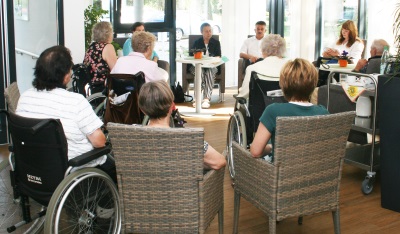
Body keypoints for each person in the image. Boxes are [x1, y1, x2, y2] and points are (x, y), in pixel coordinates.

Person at [16, 45, 116, 180]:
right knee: (116, 168)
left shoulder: (25, 97)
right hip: (73, 169)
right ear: (65, 76)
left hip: (34, 167)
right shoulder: (75, 101)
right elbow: (99, 142)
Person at [250, 58, 329, 161]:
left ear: (282, 84)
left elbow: (255, 152)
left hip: (282, 174)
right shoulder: (323, 112)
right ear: (314, 84)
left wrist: (271, 147)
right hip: (315, 172)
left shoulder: (273, 111)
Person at [138, 80, 226, 170]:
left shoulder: (127, 136)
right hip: (182, 183)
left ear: (142, 110)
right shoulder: (190, 138)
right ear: (172, 106)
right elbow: (220, 162)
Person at [237, 34, 288, 99]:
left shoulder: (252, 68)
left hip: (260, 107)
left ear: (263, 50)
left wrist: (241, 90)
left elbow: (243, 95)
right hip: (285, 106)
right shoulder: (291, 68)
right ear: (283, 50)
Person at [189, 23, 221, 109]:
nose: (209, 33)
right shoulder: (197, 42)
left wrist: (214, 60)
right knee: (200, 73)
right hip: (198, 66)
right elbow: (191, 55)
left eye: (210, 31)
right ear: (201, 32)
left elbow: (219, 56)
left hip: (211, 66)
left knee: (210, 72)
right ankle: (197, 99)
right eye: (206, 31)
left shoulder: (216, 42)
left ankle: (206, 99)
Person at [83, 21, 118, 93]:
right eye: (112, 32)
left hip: (93, 89)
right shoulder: (107, 47)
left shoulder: (91, 46)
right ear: (107, 34)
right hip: (105, 89)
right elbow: (116, 71)